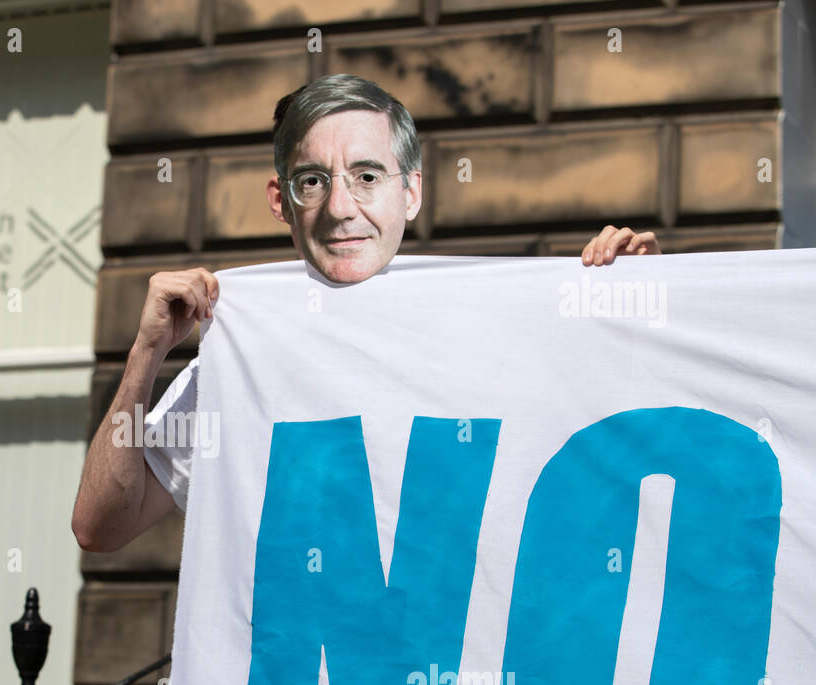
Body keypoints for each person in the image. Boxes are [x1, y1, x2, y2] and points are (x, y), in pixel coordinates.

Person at [71, 73, 660, 553]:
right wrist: (145, 357)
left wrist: (649, 310)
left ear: (411, 192)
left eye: (367, 176)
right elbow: (100, 528)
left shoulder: (508, 330)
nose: (340, 207)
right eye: (313, 181)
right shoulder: (239, 361)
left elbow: (632, 457)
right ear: (282, 202)